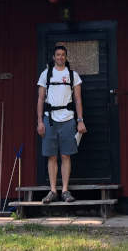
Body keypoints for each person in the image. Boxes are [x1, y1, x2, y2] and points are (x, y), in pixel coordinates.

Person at [36, 45, 87, 203]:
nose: (60, 57)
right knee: (51, 156)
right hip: (49, 119)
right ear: (54, 57)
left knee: (65, 155)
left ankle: (65, 190)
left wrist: (80, 120)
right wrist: (39, 122)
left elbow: (78, 99)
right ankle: (52, 190)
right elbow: (40, 99)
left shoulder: (73, 75)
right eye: (57, 55)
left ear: (66, 57)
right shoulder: (46, 74)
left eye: (63, 55)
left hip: (67, 118)